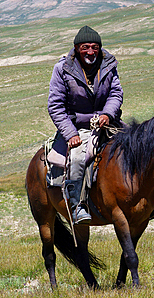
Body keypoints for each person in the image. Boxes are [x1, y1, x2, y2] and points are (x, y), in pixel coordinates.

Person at [47, 25, 123, 224]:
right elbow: (55, 106)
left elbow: (115, 93)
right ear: (76, 48)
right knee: (79, 157)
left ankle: (145, 200)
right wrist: (70, 134)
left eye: (95, 47)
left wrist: (107, 114)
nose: (91, 52)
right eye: (85, 47)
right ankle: (77, 205)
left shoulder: (108, 64)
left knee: (140, 144)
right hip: (77, 125)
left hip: (108, 122)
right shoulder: (62, 69)